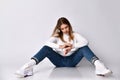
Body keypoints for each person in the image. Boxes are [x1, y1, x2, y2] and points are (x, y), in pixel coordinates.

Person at [15, 17, 112, 78]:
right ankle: (28, 68)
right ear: (59, 29)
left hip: (72, 61)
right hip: (59, 61)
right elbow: (47, 43)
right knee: (46, 48)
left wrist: (72, 46)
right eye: (62, 28)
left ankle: (100, 67)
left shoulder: (75, 35)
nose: (65, 30)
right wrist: (61, 46)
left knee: (84, 47)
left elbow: (86, 41)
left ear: (69, 26)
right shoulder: (57, 36)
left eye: (66, 27)